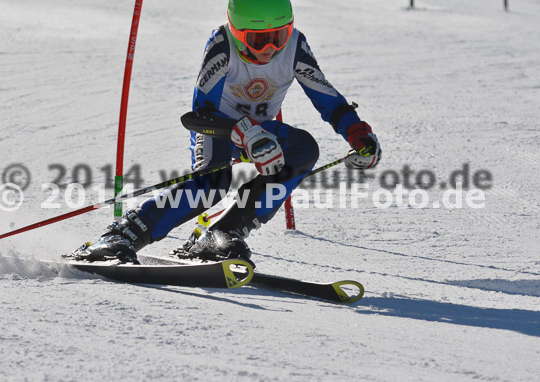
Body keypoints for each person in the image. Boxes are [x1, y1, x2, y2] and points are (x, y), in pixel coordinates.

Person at [71, 0, 381, 263]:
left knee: (303, 149)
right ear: (236, 32)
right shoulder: (222, 46)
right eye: (258, 40)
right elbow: (200, 115)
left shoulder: (294, 47)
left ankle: (223, 232)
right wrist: (244, 132)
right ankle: (123, 235)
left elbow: (327, 99)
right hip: (217, 129)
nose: (270, 48)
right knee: (213, 182)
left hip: (260, 133)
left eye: (279, 36)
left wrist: (357, 133)